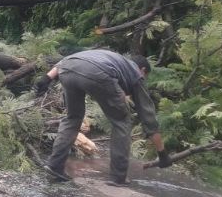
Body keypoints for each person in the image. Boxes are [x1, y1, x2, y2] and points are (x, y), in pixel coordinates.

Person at [33, 49, 172, 186]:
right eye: (145, 76)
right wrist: (162, 154)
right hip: (97, 73)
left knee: (73, 118)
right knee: (121, 122)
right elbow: (148, 118)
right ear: (142, 70)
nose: (144, 79)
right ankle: (118, 177)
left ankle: (55, 165)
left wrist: (47, 78)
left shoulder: (109, 58)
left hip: (67, 69)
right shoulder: (135, 73)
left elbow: (65, 61)